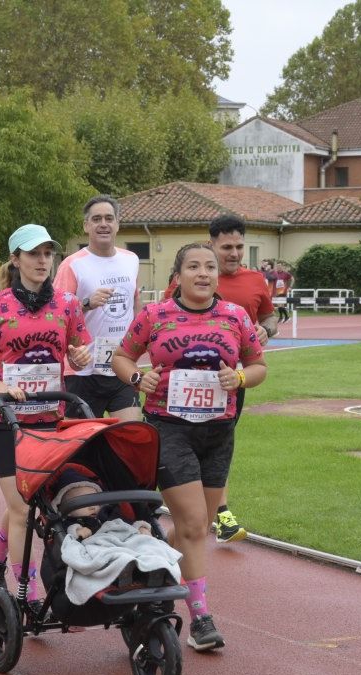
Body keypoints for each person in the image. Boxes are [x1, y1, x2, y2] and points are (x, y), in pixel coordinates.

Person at [112, 243, 266, 651]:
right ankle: (200, 618)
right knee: (196, 525)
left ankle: (153, 571)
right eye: (193, 266)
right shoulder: (154, 315)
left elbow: (258, 364)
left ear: (218, 276)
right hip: (169, 429)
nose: (203, 273)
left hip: (218, 432)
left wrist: (241, 379)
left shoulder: (235, 316)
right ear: (177, 276)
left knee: (191, 528)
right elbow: (122, 356)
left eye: (210, 267)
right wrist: (136, 379)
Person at [0, 224, 91, 603]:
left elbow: (80, 349)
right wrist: (2, 388)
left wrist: (79, 355)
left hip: (48, 419)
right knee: (22, 506)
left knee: (24, 502)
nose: (42, 261)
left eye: (47, 253)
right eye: (33, 253)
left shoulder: (68, 304)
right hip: (4, 421)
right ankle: (28, 589)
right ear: (15, 259)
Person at [203, 214, 276, 543]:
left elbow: (270, 317)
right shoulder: (195, 275)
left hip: (235, 377)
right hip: (191, 376)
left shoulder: (256, 280)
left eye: (239, 247)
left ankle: (220, 513)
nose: (234, 253)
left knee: (221, 442)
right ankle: (209, 511)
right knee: (187, 441)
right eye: (227, 247)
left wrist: (266, 329)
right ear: (212, 245)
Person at [55, 195, 143, 421]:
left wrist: (142, 338)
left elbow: (135, 302)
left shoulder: (131, 259)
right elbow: (55, 315)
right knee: (81, 446)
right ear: (86, 226)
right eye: (96, 219)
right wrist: (86, 304)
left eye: (108, 218)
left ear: (117, 224)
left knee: (130, 436)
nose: (103, 224)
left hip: (121, 366)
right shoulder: (72, 265)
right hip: (83, 370)